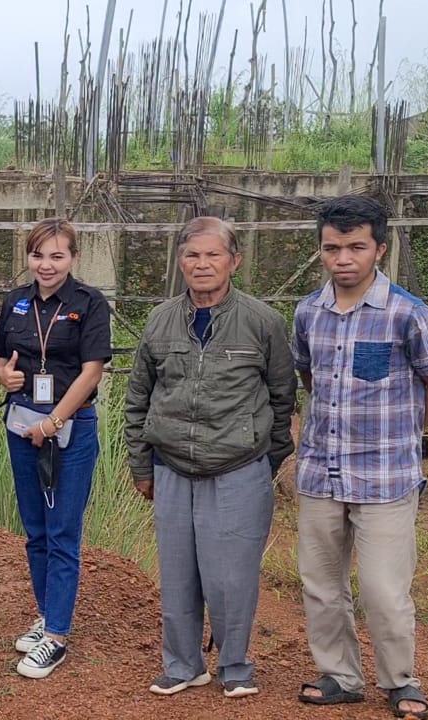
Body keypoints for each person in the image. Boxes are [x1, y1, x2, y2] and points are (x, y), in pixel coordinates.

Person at [293, 195, 428, 720]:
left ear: (379, 250)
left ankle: (401, 681)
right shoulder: (307, 314)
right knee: (321, 586)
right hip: (320, 471)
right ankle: (340, 676)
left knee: (385, 591)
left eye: (356, 247)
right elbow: (310, 379)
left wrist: (405, 435)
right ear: (321, 251)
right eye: (332, 247)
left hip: (387, 476)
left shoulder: (410, 314)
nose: (343, 258)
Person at [124, 216, 296, 699]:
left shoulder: (263, 322)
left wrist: (267, 460)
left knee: (231, 577)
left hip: (240, 468)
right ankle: (183, 666)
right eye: (192, 255)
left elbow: (283, 398)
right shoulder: (160, 320)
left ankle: (235, 666)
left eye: (213, 254)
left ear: (234, 261)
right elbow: (140, 397)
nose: (202, 264)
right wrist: (142, 464)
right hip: (172, 466)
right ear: (180, 263)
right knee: (178, 575)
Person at [0, 217, 111, 679]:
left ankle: (57, 635)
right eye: (38, 255)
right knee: (35, 530)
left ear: (73, 258)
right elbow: (2, 355)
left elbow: (92, 371)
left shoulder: (89, 304)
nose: (46, 264)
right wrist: (4, 375)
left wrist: (55, 421)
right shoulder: (15, 302)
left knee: (62, 532)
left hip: (70, 429)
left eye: (57, 255)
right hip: (22, 425)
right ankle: (46, 615)